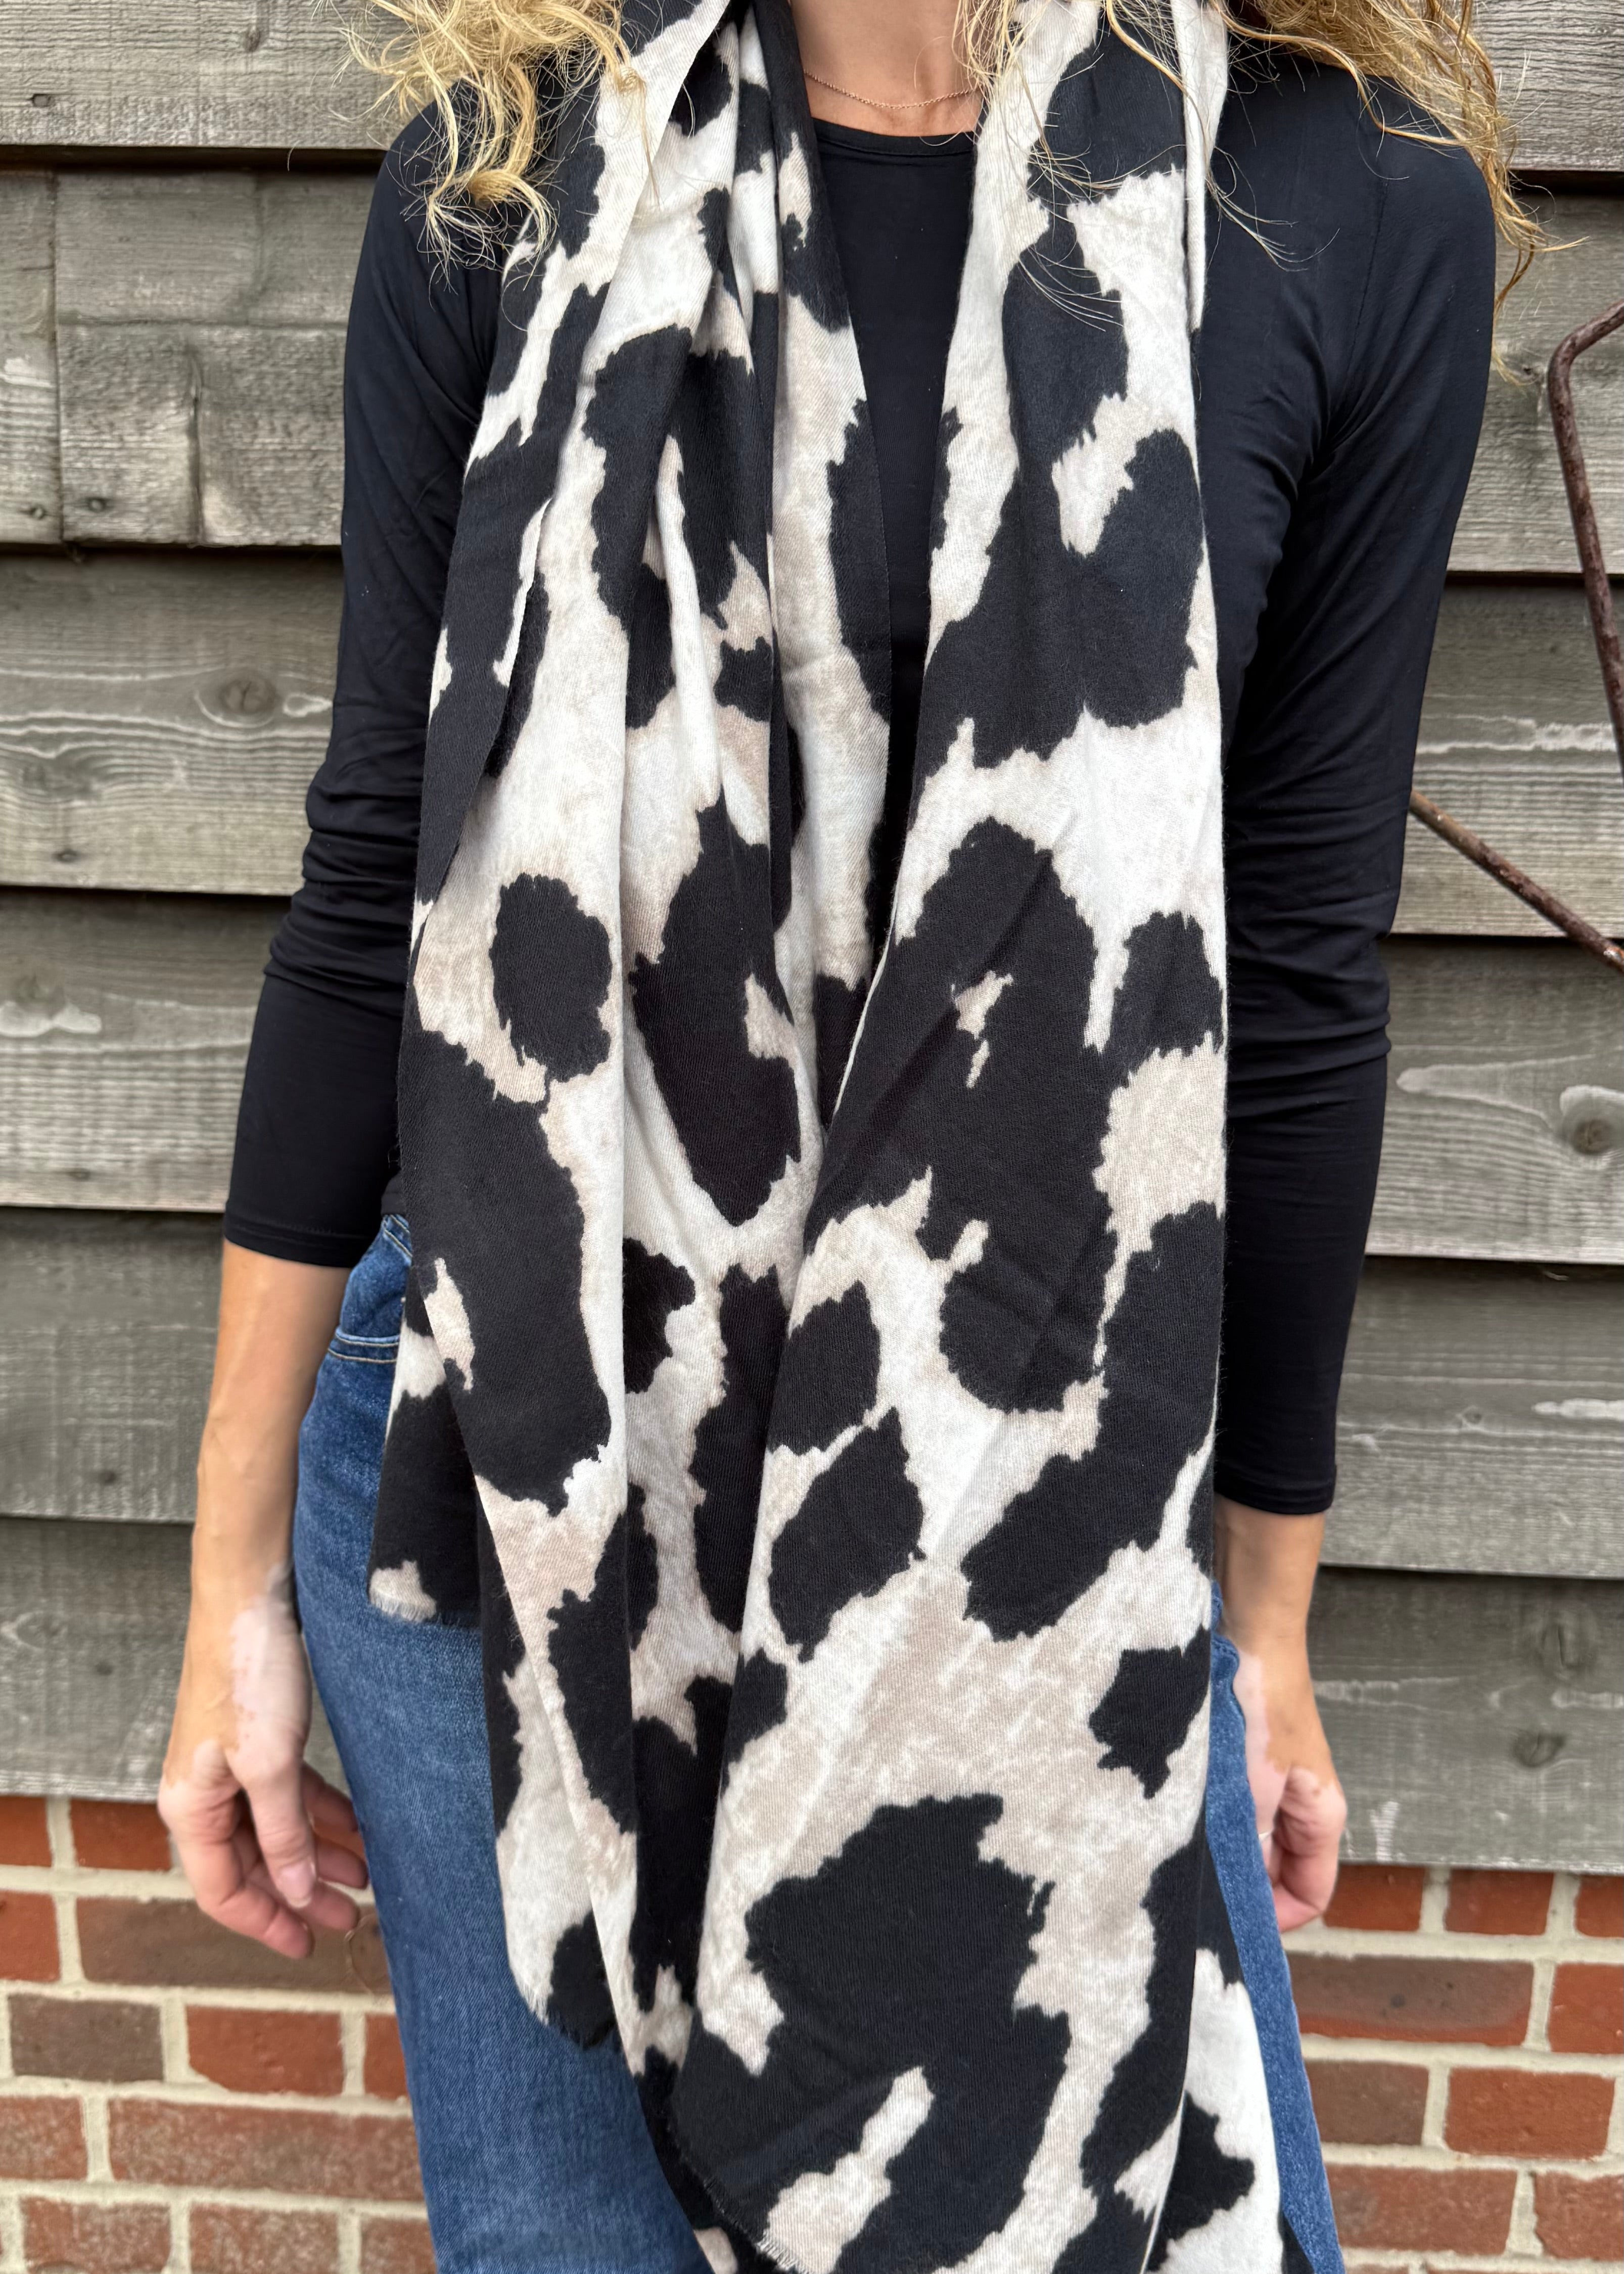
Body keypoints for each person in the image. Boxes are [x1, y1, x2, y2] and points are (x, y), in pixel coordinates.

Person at [161, 1, 1512, 2266]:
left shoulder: (1337, 202)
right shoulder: (507, 175)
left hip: (1030, 1511)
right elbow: (373, 869)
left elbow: (1287, 979)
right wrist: (220, 1587)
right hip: (533, 1463)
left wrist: (1258, 1619)